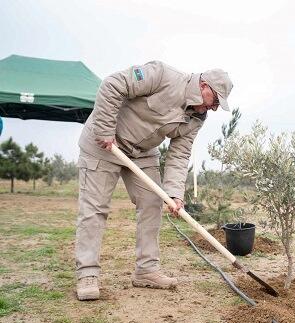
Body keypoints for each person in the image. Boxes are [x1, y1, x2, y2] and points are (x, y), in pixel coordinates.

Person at [75, 61, 233, 301]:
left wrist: (174, 193)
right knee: (95, 208)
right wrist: (106, 130)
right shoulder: (161, 75)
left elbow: (179, 154)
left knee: (152, 203)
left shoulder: (197, 118)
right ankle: (87, 274)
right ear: (204, 86)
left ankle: (146, 270)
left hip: (142, 153)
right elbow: (112, 85)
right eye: (215, 101)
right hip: (103, 144)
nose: (213, 108)